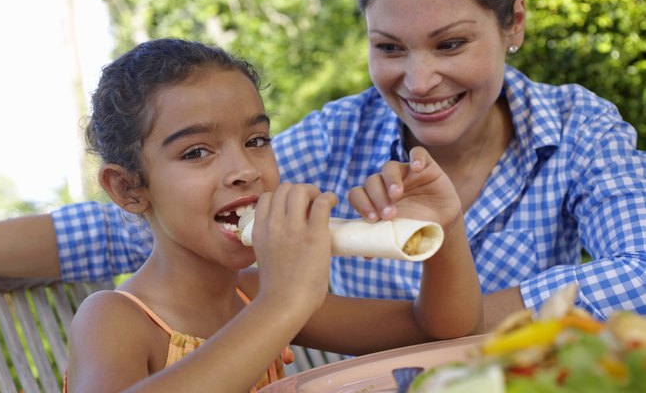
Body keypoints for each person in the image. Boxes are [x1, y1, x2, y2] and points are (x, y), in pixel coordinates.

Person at [0, 0, 645, 330]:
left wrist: (449, 262)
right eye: (389, 48)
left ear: (512, 23)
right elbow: (147, 225)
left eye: (450, 44)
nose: (417, 82)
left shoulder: (580, 129)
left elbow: (640, 272)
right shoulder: (334, 141)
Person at [61, 38, 480, 392]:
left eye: (256, 139)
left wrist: (444, 225)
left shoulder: (253, 292)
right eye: (196, 152)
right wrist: (283, 303)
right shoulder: (113, 317)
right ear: (128, 188)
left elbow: (440, 329)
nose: (245, 170)